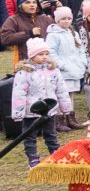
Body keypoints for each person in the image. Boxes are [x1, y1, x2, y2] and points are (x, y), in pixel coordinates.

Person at [11, 38, 70, 169]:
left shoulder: (53, 71)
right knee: (29, 136)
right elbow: (19, 94)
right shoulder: (24, 73)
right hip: (31, 111)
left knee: (51, 134)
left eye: (46, 54)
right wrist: (18, 112)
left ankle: (55, 154)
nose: (44, 57)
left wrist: (65, 107)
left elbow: (61, 90)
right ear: (32, 56)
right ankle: (33, 158)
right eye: (40, 54)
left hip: (50, 110)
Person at [46, 7, 87, 131]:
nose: (66, 21)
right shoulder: (53, 35)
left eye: (69, 18)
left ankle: (70, 117)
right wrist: (61, 65)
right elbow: (51, 52)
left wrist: (82, 62)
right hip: (62, 70)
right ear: (57, 20)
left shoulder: (73, 33)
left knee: (71, 94)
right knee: (61, 94)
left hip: (75, 68)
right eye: (63, 19)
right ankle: (59, 118)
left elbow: (80, 49)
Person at [2, 0, 54, 67]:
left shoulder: (45, 19)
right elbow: (5, 38)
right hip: (24, 61)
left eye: (34, 2)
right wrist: (28, 33)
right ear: (20, 6)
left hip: (46, 61)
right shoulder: (13, 20)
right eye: (27, 2)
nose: (32, 5)